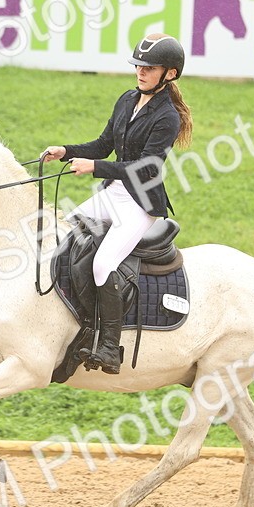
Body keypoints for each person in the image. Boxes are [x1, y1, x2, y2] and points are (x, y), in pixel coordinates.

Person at [41, 33, 194, 374]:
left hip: (139, 203)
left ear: (169, 73)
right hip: (114, 192)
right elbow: (104, 143)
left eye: (149, 68)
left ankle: (110, 345)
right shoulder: (127, 100)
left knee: (103, 263)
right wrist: (67, 151)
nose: (140, 72)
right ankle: (76, 321)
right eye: (139, 66)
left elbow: (147, 168)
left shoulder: (167, 117)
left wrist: (94, 168)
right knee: (66, 233)